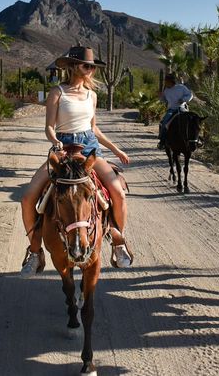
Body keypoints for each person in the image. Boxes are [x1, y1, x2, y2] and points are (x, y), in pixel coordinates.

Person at [19, 46, 133, 275]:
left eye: (92, 66)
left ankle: (118, 241)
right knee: (28, 197)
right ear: (73, 67)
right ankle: (34, 251)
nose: (90, 70)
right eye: (86, 65)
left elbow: (94, 129)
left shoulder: (92, 96)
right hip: (63, 149)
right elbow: (49, 127)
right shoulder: (57, 92)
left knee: (117, 191)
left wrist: (115, 148)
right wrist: (56, 143)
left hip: (89, 148)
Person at [157, 73, 194, 150]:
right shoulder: (166, 90)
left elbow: (190, 95)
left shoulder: (181, 87)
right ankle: (162, 141)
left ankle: (194, 140)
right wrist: (160, 96)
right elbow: (164, 100)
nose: (165, 83)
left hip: (182, 108)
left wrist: (183, 100)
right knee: (164, 122)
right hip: (171, 109)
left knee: (192, 121)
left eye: (166, 81)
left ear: (171, 81)